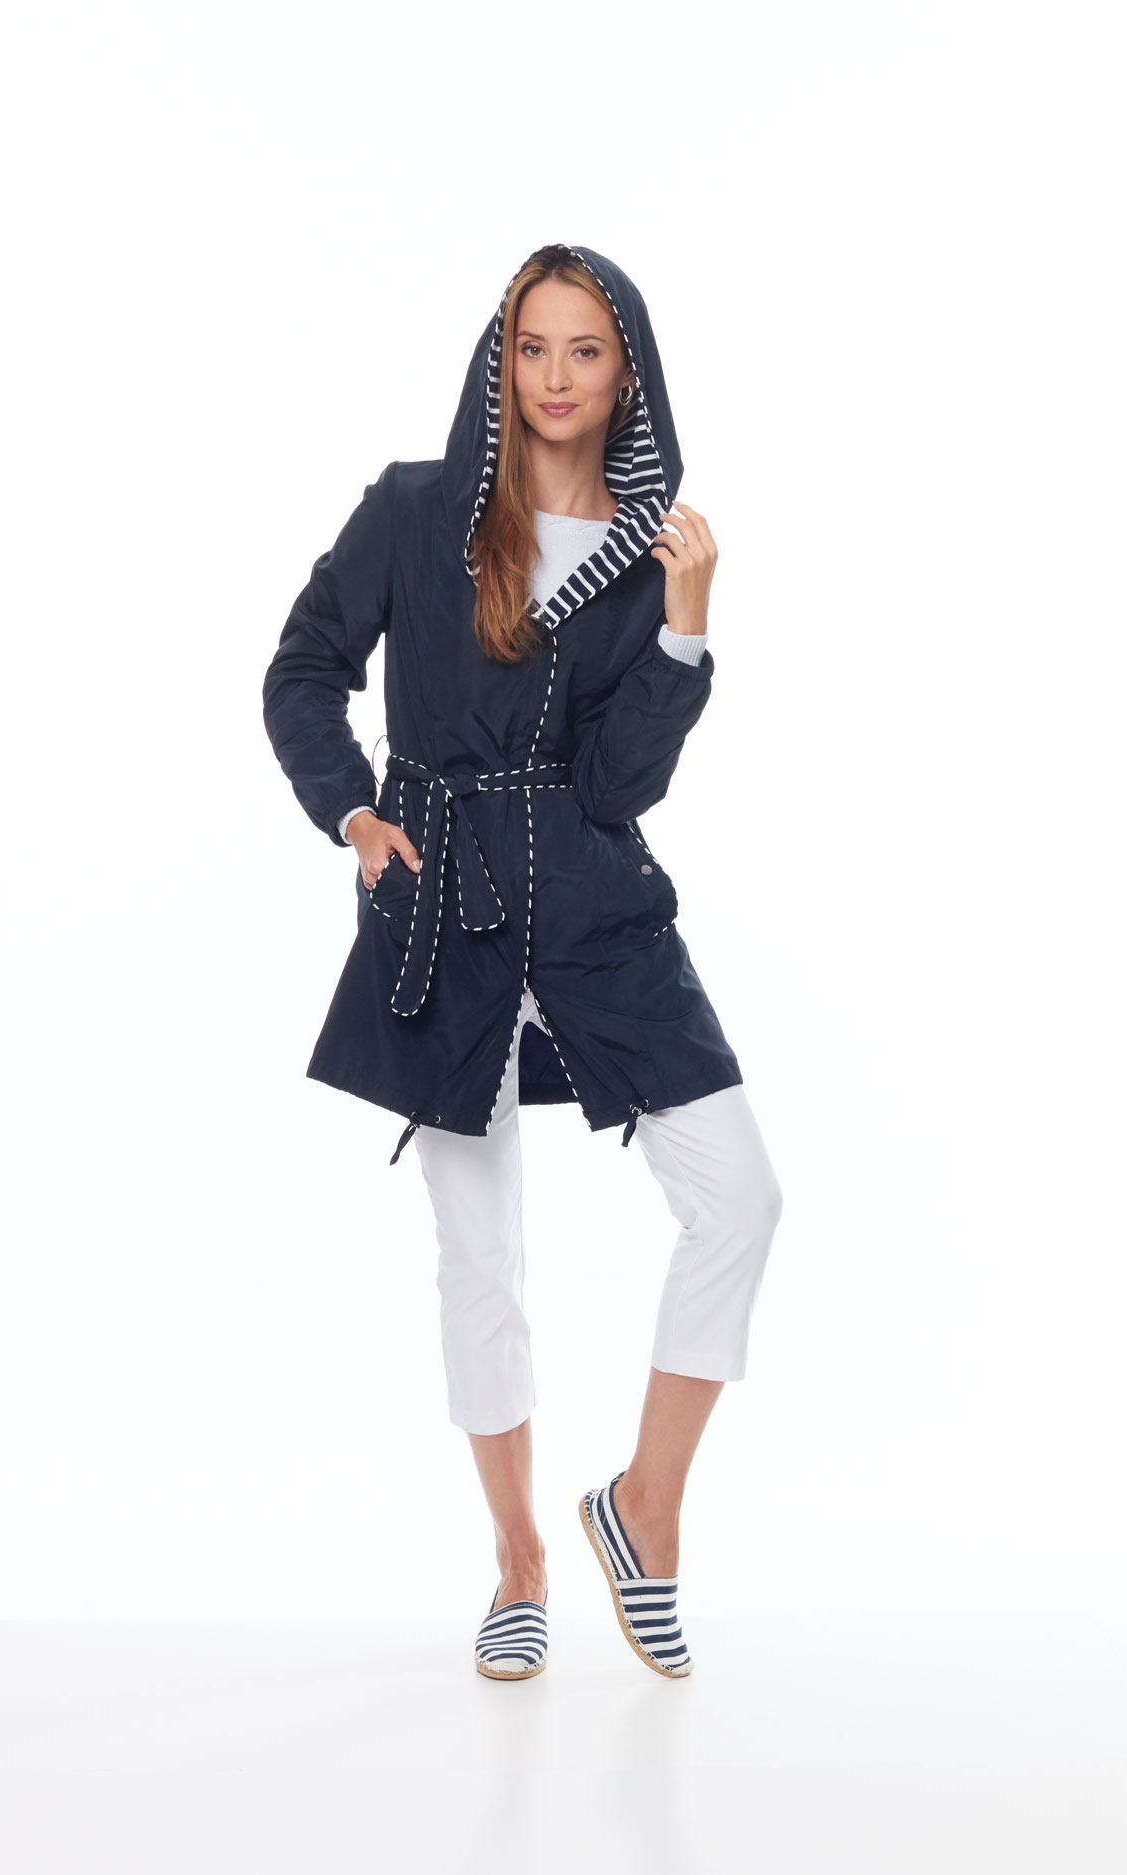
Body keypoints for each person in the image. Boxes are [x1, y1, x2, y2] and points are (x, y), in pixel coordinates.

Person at [262, 243, 783, 1682]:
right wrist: (351, 812)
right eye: (533, 348)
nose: (556, 378)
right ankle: (518, 1562)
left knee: (740, 1199)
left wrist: (685, 630)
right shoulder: (414, 508)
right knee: (479, 1257)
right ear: (503, 361)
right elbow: (303, 667)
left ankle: (643, 1510)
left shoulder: (645, 550)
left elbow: (616, 786)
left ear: (628, 373)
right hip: (442, 900)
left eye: (586, 352)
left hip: (599, 903)